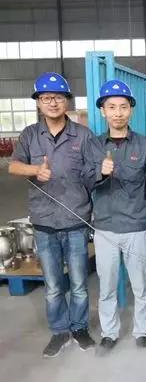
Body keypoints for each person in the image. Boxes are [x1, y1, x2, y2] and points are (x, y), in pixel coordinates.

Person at [9, 72, 96, 357]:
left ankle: (79, 328)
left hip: (75, 221)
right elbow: (13, 166)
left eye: (58, 97)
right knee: (53, 286)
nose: (52, 103)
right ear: (38, 103)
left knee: (79, 284)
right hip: (44, 222)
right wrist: (35, 170)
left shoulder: (83, 135)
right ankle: (60, 331)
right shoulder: (30, 135)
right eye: (46, 98)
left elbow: (94, 173)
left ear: (66, 101)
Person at [83, 80, 146, 355]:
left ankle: (142, 332)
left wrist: (138, 206)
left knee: (141, 285)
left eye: (123, 107)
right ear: (103, 111)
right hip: (105, 228)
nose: (118, 112)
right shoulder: (93, 145)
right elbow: (85, 181)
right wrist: (101, 173)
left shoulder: (145, 145)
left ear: (131, 110)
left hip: (136, 226)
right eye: (112, 107)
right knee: (107, 286)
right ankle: (109, 333)